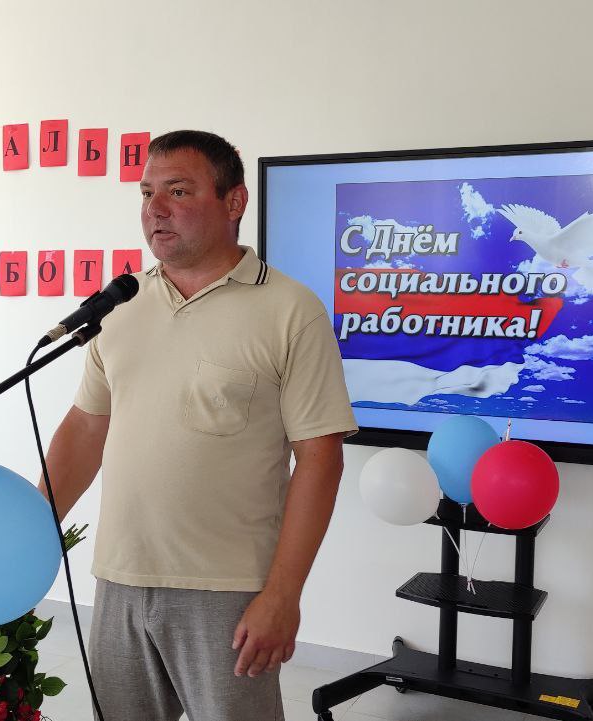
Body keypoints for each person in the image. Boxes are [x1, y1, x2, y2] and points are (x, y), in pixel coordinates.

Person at [39, 129, 357, 721]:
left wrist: (283, 595)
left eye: (178, 191)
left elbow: (320, 458)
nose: (155, 209)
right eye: (146, 193)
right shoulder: (120, 306)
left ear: (234, 201)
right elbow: (86, 427)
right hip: (120, 579)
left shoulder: (290, 310)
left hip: (229, 590)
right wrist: (33, 526)